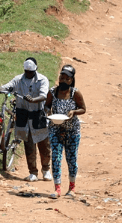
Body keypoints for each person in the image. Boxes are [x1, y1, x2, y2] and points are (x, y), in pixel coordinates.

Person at [0, 57, 52, 181]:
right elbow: (7, 87)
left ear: (36, 70)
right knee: (28, 144)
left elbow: (43, 95)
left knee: (43, 144)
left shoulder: (42, 80)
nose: (29, 74)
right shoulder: (18, 79)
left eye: (31, 72)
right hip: (23, 114)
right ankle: (33, 172)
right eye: (27, 71)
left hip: (37, 113)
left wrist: (34, 99)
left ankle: (46, 169)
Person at [45, 65, 86, 198]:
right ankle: (57, 189)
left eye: (66, 78)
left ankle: (72, 188)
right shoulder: (52, 92)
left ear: (71, 80)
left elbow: (83, 109)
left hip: (72, 131)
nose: (63, 80)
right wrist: (48, 111)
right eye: (61, 77)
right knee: (56, 158)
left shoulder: (76, 93)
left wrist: (74, 112)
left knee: (71, 159)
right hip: (55, 129)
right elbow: (46, 105)